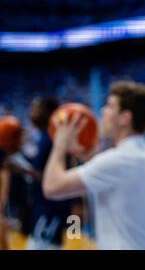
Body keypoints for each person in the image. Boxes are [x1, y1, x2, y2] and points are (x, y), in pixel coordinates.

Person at [42, 80, 145, 250]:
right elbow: (115, 178)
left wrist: (60, 144)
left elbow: (52, 187)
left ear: (125, 117)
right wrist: (89, 157)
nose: (103, 111)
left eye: (110, 106)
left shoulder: (118, 160)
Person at [26, 97, 73, 250]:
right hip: (44, 206)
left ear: (48, 113)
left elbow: (54, 177)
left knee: (43, 245)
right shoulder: (45, 137)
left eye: (35, 108)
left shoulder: (53, 139)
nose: (31, 113)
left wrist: (22, 169)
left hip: (51, 207)